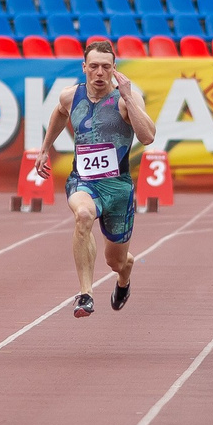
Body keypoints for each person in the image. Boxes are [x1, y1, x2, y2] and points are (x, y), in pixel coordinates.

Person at [34, 39, 157, 317]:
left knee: (116, 260)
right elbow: (59, 113)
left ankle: (124, 277)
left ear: (114, 68)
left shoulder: (128, 99)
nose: (99, 73)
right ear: (84, 67)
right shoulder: (70, 95)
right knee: (83, 216)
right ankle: (86, 294)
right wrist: (44, 149)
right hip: (83, 180)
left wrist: (127, 96)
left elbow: (148, 136)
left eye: (105, 67)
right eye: (93, 67)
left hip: (118, 187)